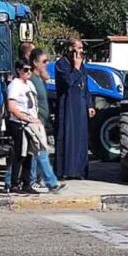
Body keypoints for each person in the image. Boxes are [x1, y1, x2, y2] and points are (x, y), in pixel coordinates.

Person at [54, 39, 95, 179]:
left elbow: (85, 85)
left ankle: (79, 170)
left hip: (81, 104)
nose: (81, 51)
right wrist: (76, 68)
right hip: (68, 104)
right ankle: (65, 171)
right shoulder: (62, 64)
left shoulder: (82, 65)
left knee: (81, 138)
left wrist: (89, 104)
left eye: (82, 48)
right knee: (67, 136)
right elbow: (68, 81)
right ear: (70, 49)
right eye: (78, 48)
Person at [28, 48, 63, 193]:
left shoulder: (39, 79)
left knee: (36, 152)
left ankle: (36, 180)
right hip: (35, 120)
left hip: (41, 120)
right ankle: (48, 182)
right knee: (40, 151)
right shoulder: (31, 80)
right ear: (35, 63)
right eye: (44, 61)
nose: (46, 64)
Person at [5, 59, 41, 194]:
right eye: (25, 70)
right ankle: (14, 183)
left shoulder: (30, 84)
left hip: (31, 123)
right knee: (20, 153)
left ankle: (27, 183)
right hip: (19, 123)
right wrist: (25, 118)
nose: (28, 72)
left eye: (30, 69)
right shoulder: (15, 85)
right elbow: (12, 107)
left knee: (30, 154)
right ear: (19, 70)